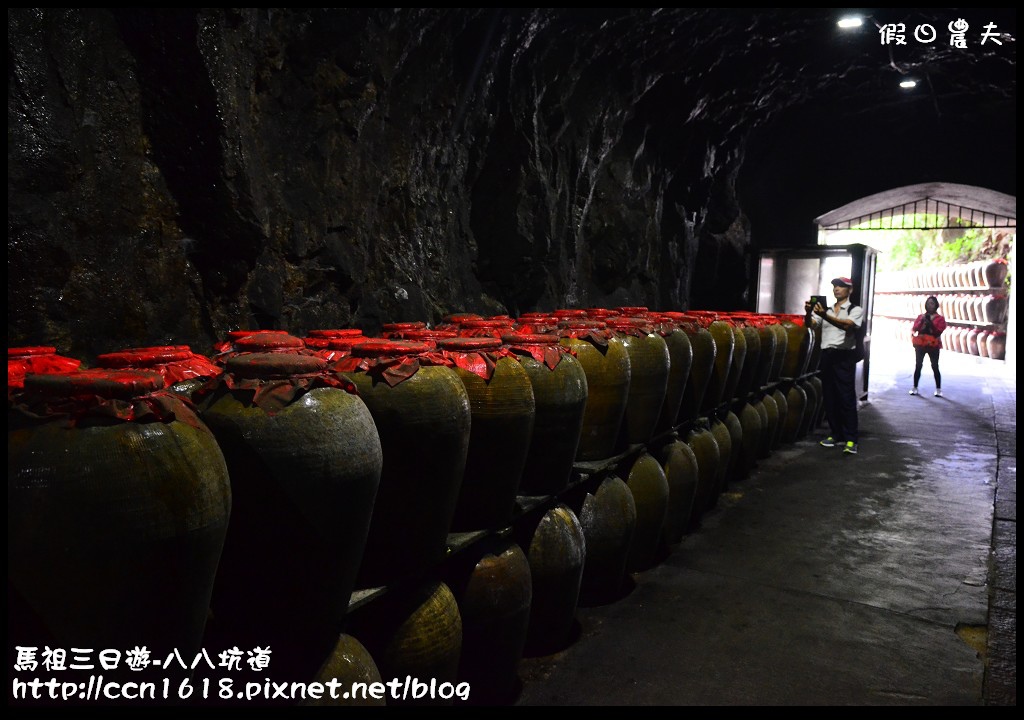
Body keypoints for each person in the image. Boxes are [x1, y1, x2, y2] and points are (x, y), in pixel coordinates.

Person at [804, 277, 864, 455]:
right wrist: (808, 313)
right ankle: (836, 434)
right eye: (835, 286)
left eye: (841, 286)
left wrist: (823, 315)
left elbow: (847, 326)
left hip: (843, 357)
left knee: (846, 397)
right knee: (830, 397)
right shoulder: (827, 309)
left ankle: (851, 438)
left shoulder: (855, 310)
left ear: (850, 290)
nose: (837, 289)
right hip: (827, 356)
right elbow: (812, 325)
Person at [909, 295, 946, 397]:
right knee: (918, 365)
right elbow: (915, 328)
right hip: (920, 344)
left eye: (932, 303)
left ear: (936, 305)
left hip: (933, 345)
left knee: (935, 366)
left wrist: (930, 323)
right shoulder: (921, 317)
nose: (930, 305)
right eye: (928, 303)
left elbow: (939, 331)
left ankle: (938, 389)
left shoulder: (940, 319)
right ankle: (915, 387)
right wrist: (922, 321)